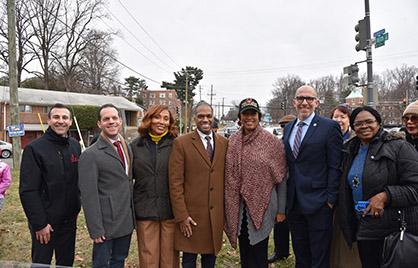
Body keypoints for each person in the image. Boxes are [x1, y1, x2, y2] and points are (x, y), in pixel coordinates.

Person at [337, 106, 418, 268]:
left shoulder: (399, 147)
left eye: (369, 122)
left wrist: (385, 196)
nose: (364, 126)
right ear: (353, 127)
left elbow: (415, 188)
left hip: (394, 230)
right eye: (358, 123)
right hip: (365, 228)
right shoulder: (350, 150)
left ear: (379, 123)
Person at [283, 85, 343, 268]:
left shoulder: (329, 127)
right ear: (294, 102)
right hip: (294, 203)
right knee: (301, 254)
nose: (304, 102)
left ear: (317, 102)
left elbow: (335, 166)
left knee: (319, 256)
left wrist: (330, 200)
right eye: (300, 98)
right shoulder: (289, 128)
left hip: (319, 203)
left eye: (309, 98)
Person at [224, 98, 287, 268]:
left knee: (259, 253)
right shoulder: (233, 141)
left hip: (264, 205)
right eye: (246, 114)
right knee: (245, 252)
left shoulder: (271, 142)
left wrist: (281, 210)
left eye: (253, 113)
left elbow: (281, 178)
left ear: (259, 116)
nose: (249, 117)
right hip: (238, 207)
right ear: (240, 117)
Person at [19, 103, 81, 267]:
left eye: (65, 117)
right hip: (45, 223)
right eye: (56, 117)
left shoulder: (74, 146)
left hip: (69, 221)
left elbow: (77, 182)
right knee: (42, 263)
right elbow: (28, 190)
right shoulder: (34, 149)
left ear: (70, 122)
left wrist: (76, 207)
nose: (60, 121)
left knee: (66, 263)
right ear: (49, 120)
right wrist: (40, 224)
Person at [169, 101, 228, 268]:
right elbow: (175, 183)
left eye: (208, 116)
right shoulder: (182, 143)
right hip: (191, 217)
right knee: (189, 260)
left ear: (213, 117)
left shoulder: (223, 143)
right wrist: (181, 216)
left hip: (214, 217)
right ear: (194, 118)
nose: (205, 119)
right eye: (201, 116)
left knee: (210, 259)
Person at [78, 103, 135, 268]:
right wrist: (95, 229)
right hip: (106, 224)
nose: (111, 121)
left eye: (114, 118)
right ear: (99, 124)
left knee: (119, 261)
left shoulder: (126, 147)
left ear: (120, 121)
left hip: (125, 221)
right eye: (106, 119)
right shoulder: (91, 154)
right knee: (102, 264)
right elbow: (88, 195)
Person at [131, 105, 179, 268]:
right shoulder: (135, 146)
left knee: (169, 259)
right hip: (145, 209)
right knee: (148, 258)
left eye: (166, 119)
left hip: (170, 210)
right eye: (157, 117)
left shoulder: (177, 145)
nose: (161, 122)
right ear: (149, 120)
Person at [330, 104, 361, 268]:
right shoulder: (328, 137)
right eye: (336, 116)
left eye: (343, 116)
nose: (339, 120)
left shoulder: (356, 141)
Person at [268, 114, 296, 263]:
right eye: (283, 126)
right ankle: (281, 251)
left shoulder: (303, 141)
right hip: (281, 187)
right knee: (279, 222)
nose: (286, 128)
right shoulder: (278, 144)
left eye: (289, 125)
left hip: (298, 188)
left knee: (297, 226)